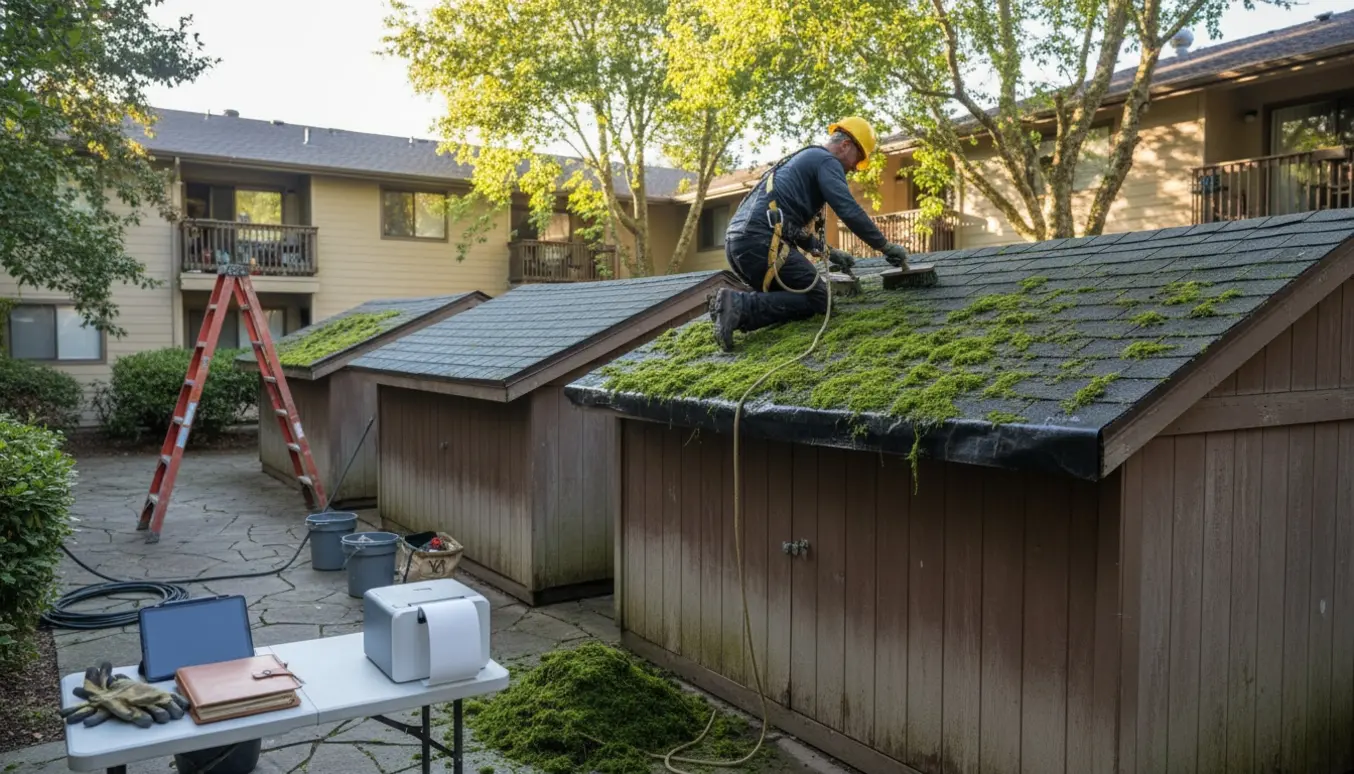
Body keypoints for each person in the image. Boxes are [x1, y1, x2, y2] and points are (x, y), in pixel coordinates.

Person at [707, 117, 913, 351]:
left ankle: (732, 312)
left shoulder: (805, 161)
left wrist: (829, 253)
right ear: (846, 145)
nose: (855, 168)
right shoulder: (826, 161)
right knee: (819, 299)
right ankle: (737, 303)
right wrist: (884, 246)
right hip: (759, 241)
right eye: (858, 158)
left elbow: (788, 227)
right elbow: (848, 209)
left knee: (792, 297)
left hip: (740, 244)